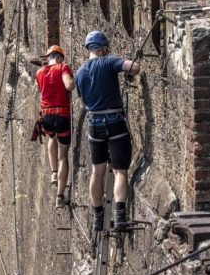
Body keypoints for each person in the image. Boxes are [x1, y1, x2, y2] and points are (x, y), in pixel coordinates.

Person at [74, 30, 141, 232]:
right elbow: (135, 67)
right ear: (103, 48)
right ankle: (120, 216)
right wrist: (128, 71)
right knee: (120, 171)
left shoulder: (79, 73)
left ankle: (98, 217)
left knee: (97, 171)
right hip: (114, 120)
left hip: (94, 123)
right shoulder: (109, 61)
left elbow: (84, 105)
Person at [35, 45, 75, 207]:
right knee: (63, 155)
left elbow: (41, 90)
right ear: (59, 57)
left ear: (48, 57)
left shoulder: (38, 73)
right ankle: (60, 196)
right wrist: (73, 78)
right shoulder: (63, 67)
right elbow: (69, 86)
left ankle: (53, 173)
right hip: (63, 115)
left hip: (47, 116)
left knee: (51, 137)